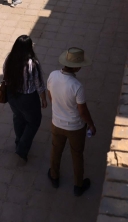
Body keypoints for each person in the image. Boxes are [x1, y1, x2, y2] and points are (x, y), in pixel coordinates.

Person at [46, 47, 96, 197]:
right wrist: (91, 124)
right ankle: (78, 185)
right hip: (75, 127)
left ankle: (54, 176)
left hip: (57, 123)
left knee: (56, 150)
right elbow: (82, 111)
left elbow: (51, 97)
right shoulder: (77, 86)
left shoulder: (52, 76)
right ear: (77, 67)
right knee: (77, 155)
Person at [2, 35, 47, 162]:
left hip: (12, 95)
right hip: (28, 99)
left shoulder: (9, 59)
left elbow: (5, 73)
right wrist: (43, 98)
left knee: (18, 117)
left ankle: (18, 140)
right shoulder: (32, 63)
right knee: (33, 122)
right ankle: (22, 148)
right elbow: (39, 83)